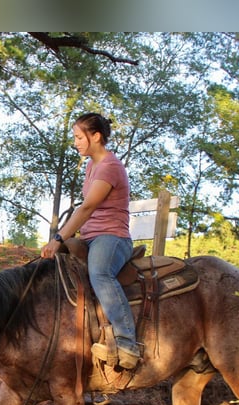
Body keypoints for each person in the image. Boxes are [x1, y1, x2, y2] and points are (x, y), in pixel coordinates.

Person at [40, 112, 139, 370]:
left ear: (96, 136)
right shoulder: (91, 165)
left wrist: (58, 237)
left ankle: (128, 342)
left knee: (99, 273)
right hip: (90, 237)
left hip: (112, 237)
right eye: (74, 137)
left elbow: (86, 208)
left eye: (79, 137)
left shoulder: (109, 167)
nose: (76, 142)